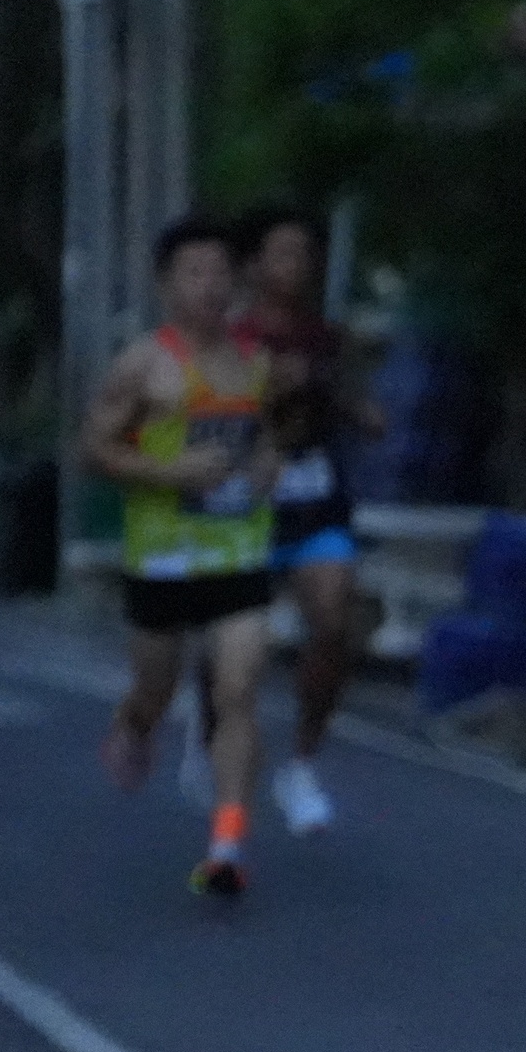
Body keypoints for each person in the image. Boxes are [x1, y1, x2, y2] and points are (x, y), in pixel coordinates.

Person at [82, 216, 284, 898]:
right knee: (156, 690)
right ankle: (134, 722)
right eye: (194, 272)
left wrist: (265, 468)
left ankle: (227, 843)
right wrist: (171, 474)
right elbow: (95, 450)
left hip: (238, 554)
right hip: (163, 558)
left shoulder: (258, 363)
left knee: (238, 691)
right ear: (167, 285)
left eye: (222, 271)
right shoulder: (144, 363)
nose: (211, 285)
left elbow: (275, 439)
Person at [239, 203, 379, 834]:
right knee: (236, 652)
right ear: (256, 265)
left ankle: (301, 761)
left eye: (305, 253)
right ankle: (216, 726)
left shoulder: (328, 338)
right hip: (247, 507)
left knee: (334, 622)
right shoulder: (233, 337)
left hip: (318, 499)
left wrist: (354, 408)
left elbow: (357, 402)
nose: (295, 266)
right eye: (282, 252)